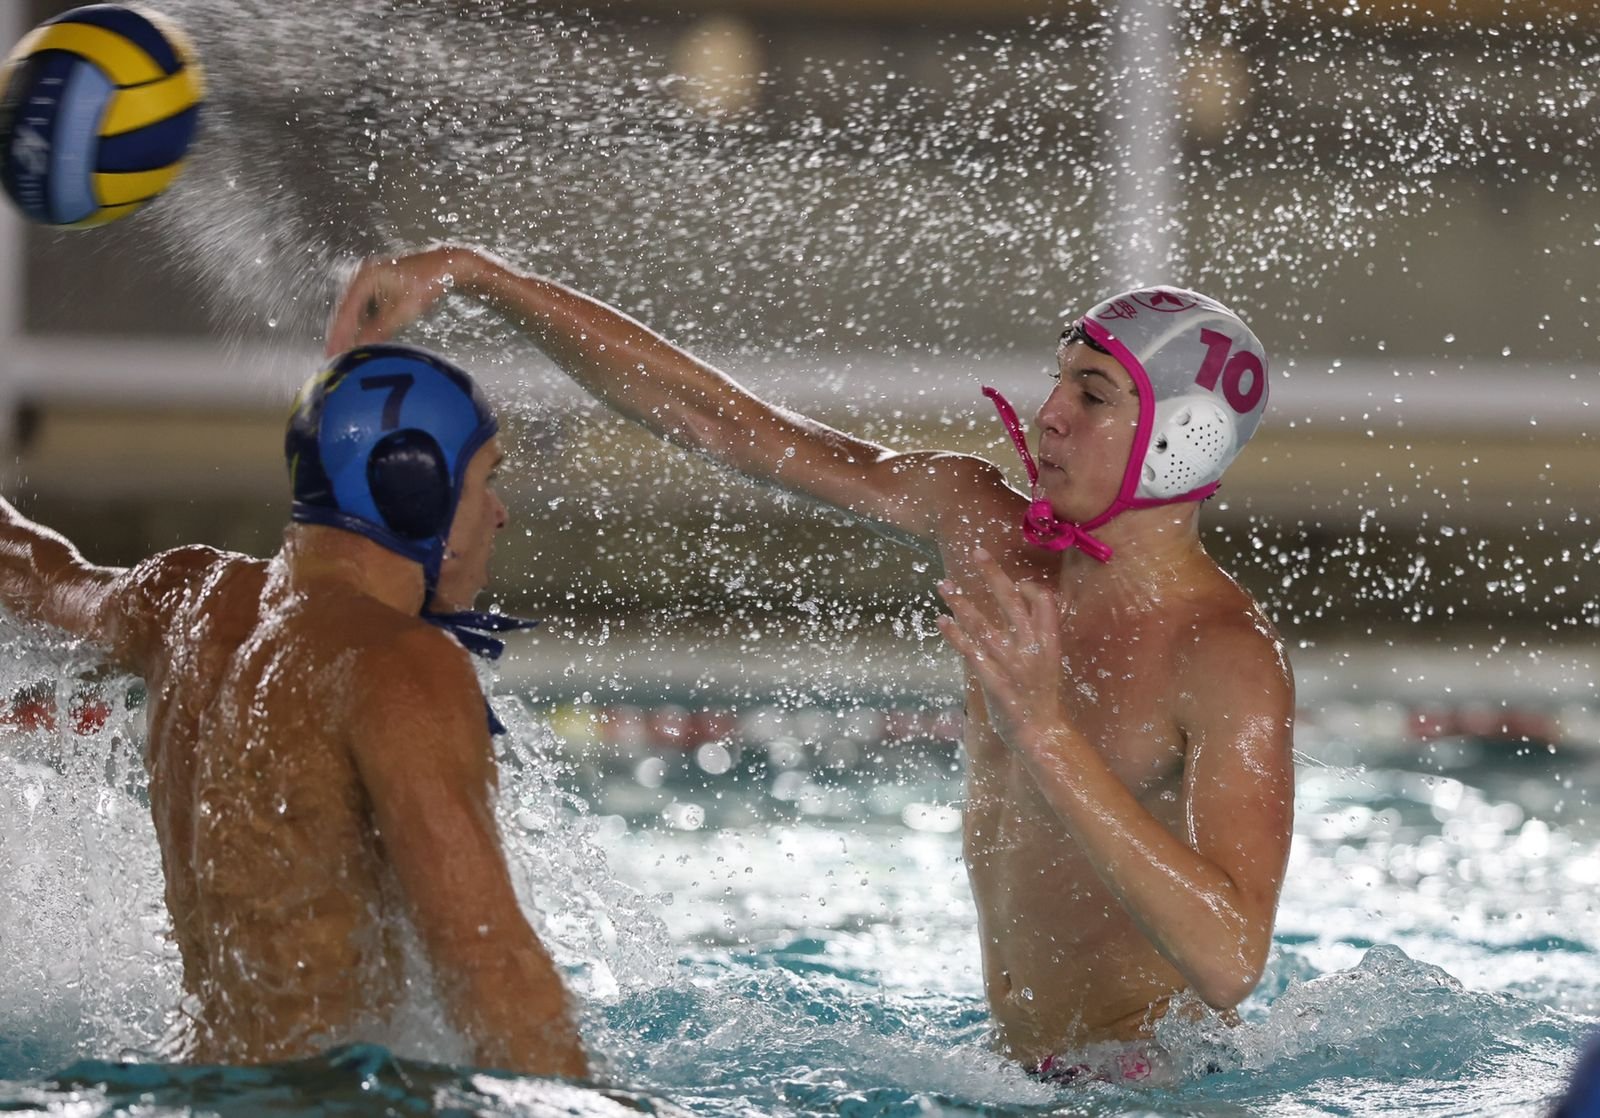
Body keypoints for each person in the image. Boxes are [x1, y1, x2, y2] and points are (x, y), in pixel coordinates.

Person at [327, 246, 1295, 1079]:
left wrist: (1043, 730)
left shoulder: (1222, 657)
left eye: (1092, 394)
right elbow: (726, 424)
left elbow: (1228, 958)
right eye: (1058, 381)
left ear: (1184, 437)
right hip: (1013, 1071)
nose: (1047, 415)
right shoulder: (982, 522)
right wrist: (485, 279)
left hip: (1142, 1088)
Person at [0, 343, 586, 1077]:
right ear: (415, 488)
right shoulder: (392, 662)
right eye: (485, 480)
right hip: (323, 1099)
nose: (498, 515)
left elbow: (37, 571)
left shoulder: (185, 600)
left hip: (197, 1075)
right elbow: (488, 964)